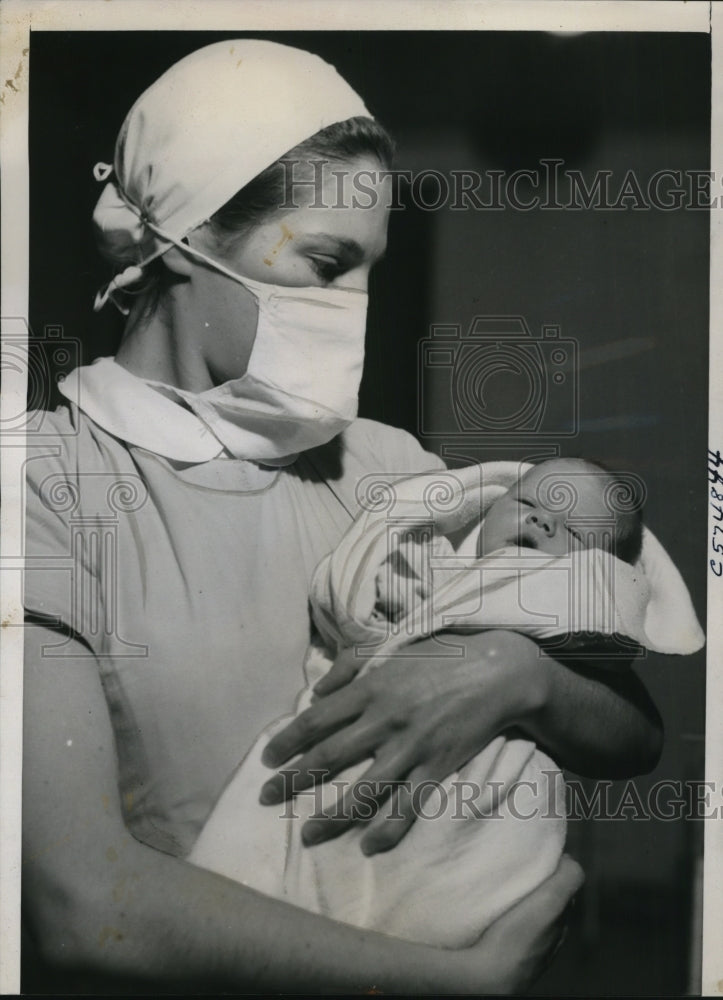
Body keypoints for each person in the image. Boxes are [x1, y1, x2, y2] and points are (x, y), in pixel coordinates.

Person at [22, 39, 667, 993]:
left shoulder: (387, 471)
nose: (356, 308)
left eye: (371, 270)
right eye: (327, 266)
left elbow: (631, 735)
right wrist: (454, 983)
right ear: (185, 240)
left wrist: (515, 672)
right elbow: (81, 904)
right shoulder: (46, 481)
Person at [188, 458, 703, 948]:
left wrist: (516, 667)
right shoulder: (429, 561)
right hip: (348, 748)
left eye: (573, 530)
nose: (542, 521)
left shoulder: (577, 604)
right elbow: (350, 592)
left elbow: (640, 733)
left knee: (439, 897)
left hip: (485, 788)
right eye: (527, 502)